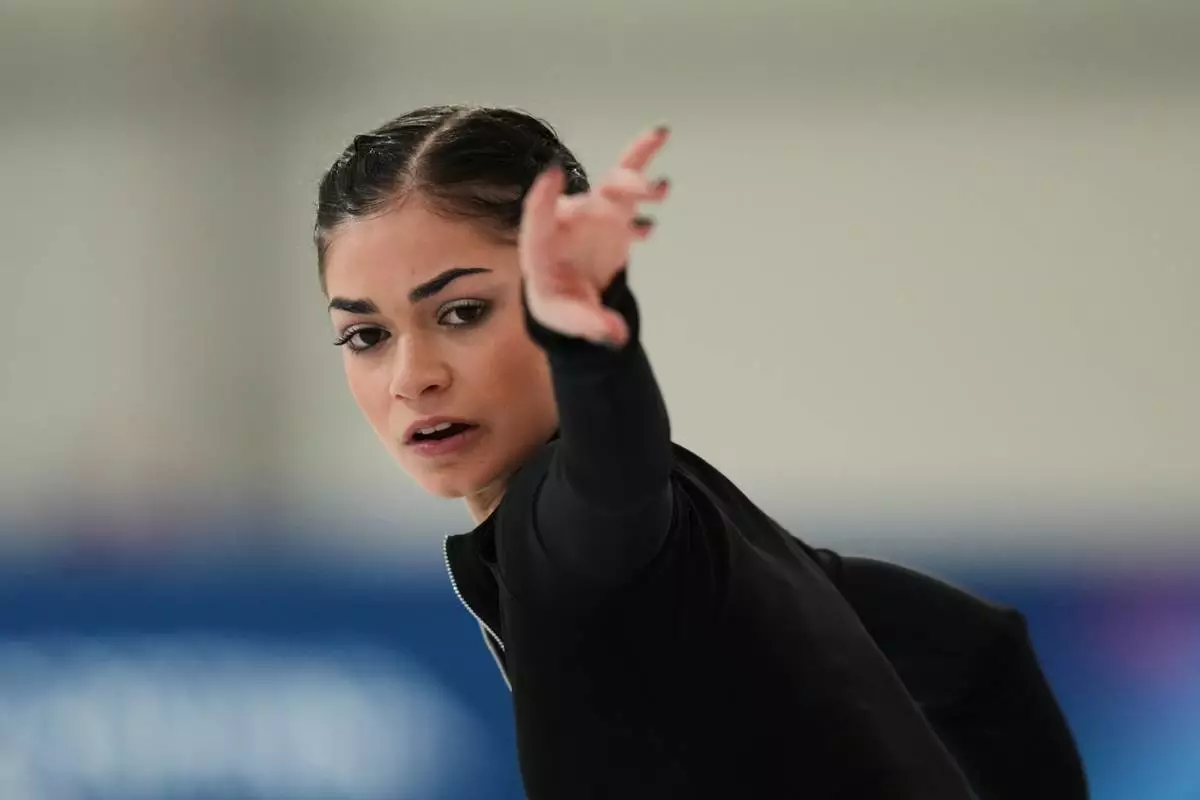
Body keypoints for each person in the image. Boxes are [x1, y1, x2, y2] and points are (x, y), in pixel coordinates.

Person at [313, 105, 1088, 799]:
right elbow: (980, 655)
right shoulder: (716, 542)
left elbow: (608, 492)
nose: (413, 378)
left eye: (463, 311)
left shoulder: (580, 544)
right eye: (366, 336)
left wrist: (590, 344)